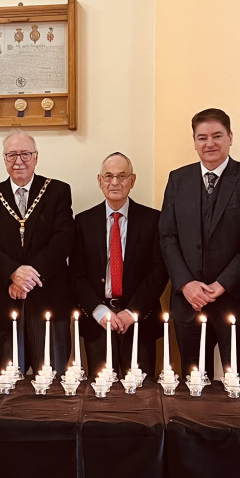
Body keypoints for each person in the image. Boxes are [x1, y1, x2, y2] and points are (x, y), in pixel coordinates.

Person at [159, 108, 240, 381]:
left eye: (217, 135)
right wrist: (186, 284)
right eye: (202, 137)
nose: (209, 143)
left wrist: (220, 285)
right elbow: (167, 236)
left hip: (239, 301)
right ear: (194, 142)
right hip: (189, 302)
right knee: (193, 383)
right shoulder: (178, 179)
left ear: (230, 137)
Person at [0, 131, 74, 374]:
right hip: (6, 299)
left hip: (48, 297)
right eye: (12, 155)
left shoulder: (57, 191)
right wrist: (13, 273)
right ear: (4, 159)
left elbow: (63, 239)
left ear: (36, 157)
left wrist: (27, 279)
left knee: (52, 381)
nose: (19, 160)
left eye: (25, 154)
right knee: (7, 383)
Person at [71, 152, 168, 378]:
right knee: (102, 396)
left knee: (141, 394)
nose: (115, 182)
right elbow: (76, 275)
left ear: (132, 180)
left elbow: (159, 271)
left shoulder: (153, 220)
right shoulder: (83, 222)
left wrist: (132, 311)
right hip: (98, 320)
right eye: (109, 176)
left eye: (122, 176)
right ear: (100, 180)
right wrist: (99, 311)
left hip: (140, 319)